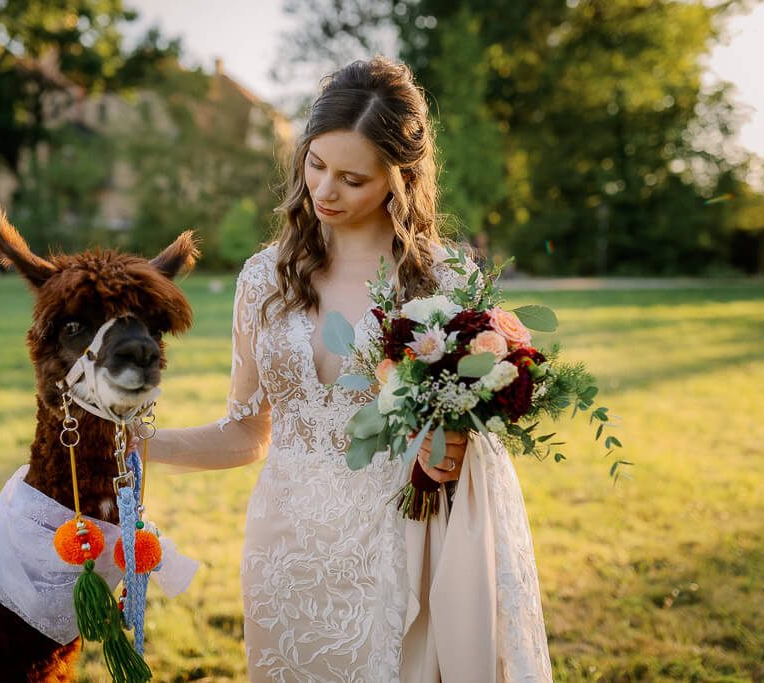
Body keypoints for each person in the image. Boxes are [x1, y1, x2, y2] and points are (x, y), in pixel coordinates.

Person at [150, 56, 551, 681]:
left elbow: (469, 447)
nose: (325, 191)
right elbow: (246, 433)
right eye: (315, 164)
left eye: (352, 178)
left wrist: (447, 449)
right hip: (286, 553)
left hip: (401, 549)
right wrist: (137, 445)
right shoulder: (264, 278)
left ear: (400, 178)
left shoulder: (446, 283)